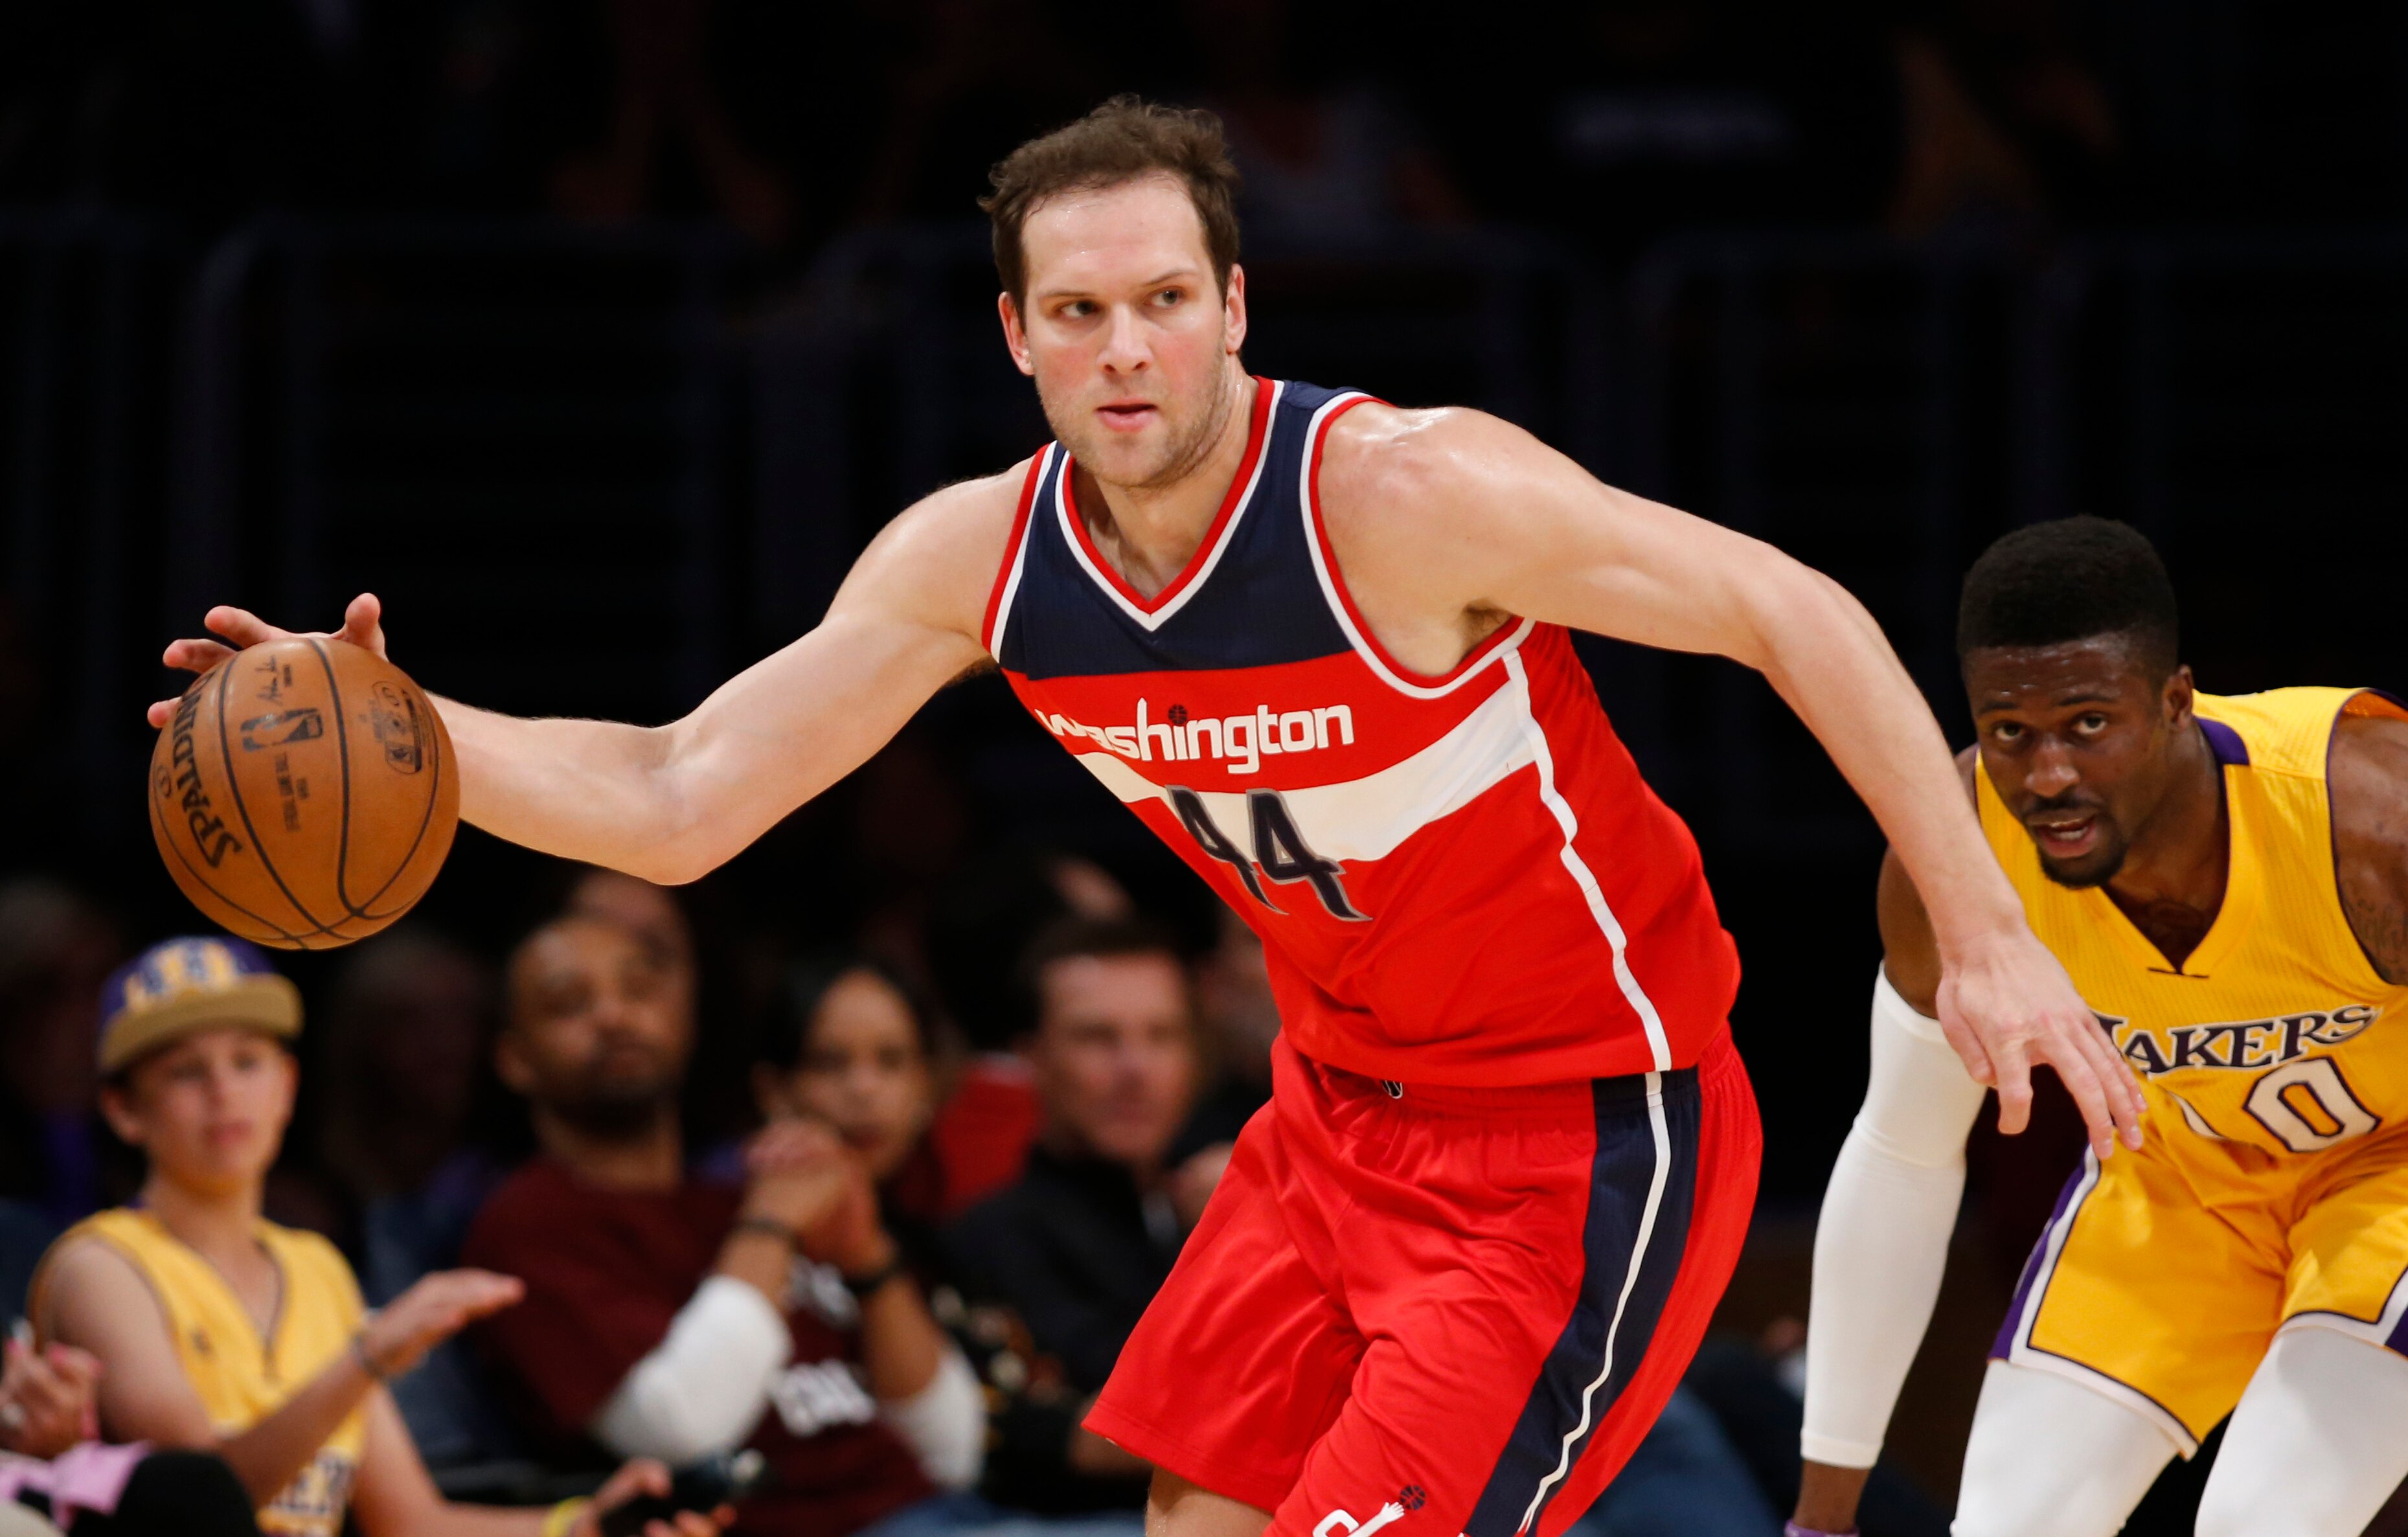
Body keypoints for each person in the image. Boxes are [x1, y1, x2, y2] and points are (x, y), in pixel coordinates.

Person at [153, 95, 2139, 1537]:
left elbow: (1789, 607)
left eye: (1165, 299)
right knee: (1184, 1517)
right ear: (1014, 333)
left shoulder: (1403, 497)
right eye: (1081, 309)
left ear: (1234, 305)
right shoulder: (980, 563)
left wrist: (1980, 932)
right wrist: (406, 729)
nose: (1127, 349)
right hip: (1330, 1118)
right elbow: (680, 794)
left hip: (1578, 1136)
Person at [1791, 518, 2408, 1537]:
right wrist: (1820, 1517)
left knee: (2260, 1522)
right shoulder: (1956, 856)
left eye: (2086, 724)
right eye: (2009, 732)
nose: (2047, 776)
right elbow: (1903, 1151)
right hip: (2180, 1176)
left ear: (2174, 702)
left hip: (2392, 1174)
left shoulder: (2370, 817)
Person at [27, 936, 723, 1537]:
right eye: (185, 1071)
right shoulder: (101, 1265)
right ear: (123, 1110)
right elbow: (206, 1506)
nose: (224, 1091)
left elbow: (413, 1522)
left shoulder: (316, 1267)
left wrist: (585, 1523)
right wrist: (367, 1358)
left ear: (288, 1086)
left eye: (247, 1060)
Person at [463, 913, 983, 1537]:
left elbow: (953, 1452)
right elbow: (678, 1429)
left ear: (684, 1018)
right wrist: (769, 1227)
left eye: (639, 990)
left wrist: (868, 1255)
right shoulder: (530, 1226)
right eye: (570, 1003)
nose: (615, 1015)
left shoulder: (734, 1196)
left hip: (948, 1514)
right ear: (516, 1059)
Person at [944, 917, 1199, 1515]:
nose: (1135, 1067)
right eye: (1097, 1037)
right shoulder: (988, 1237)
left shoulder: (1214, 1202)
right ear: (1031, 1056)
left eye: (1162, 1035)